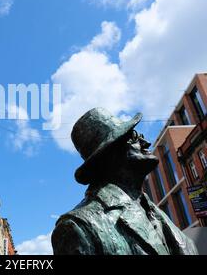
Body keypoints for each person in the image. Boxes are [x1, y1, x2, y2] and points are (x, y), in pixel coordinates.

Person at [52, 108, 198, 255]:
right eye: (134, 136)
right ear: (109, 153)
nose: (146, 142)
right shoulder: (78, 227)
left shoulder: (157, 214)